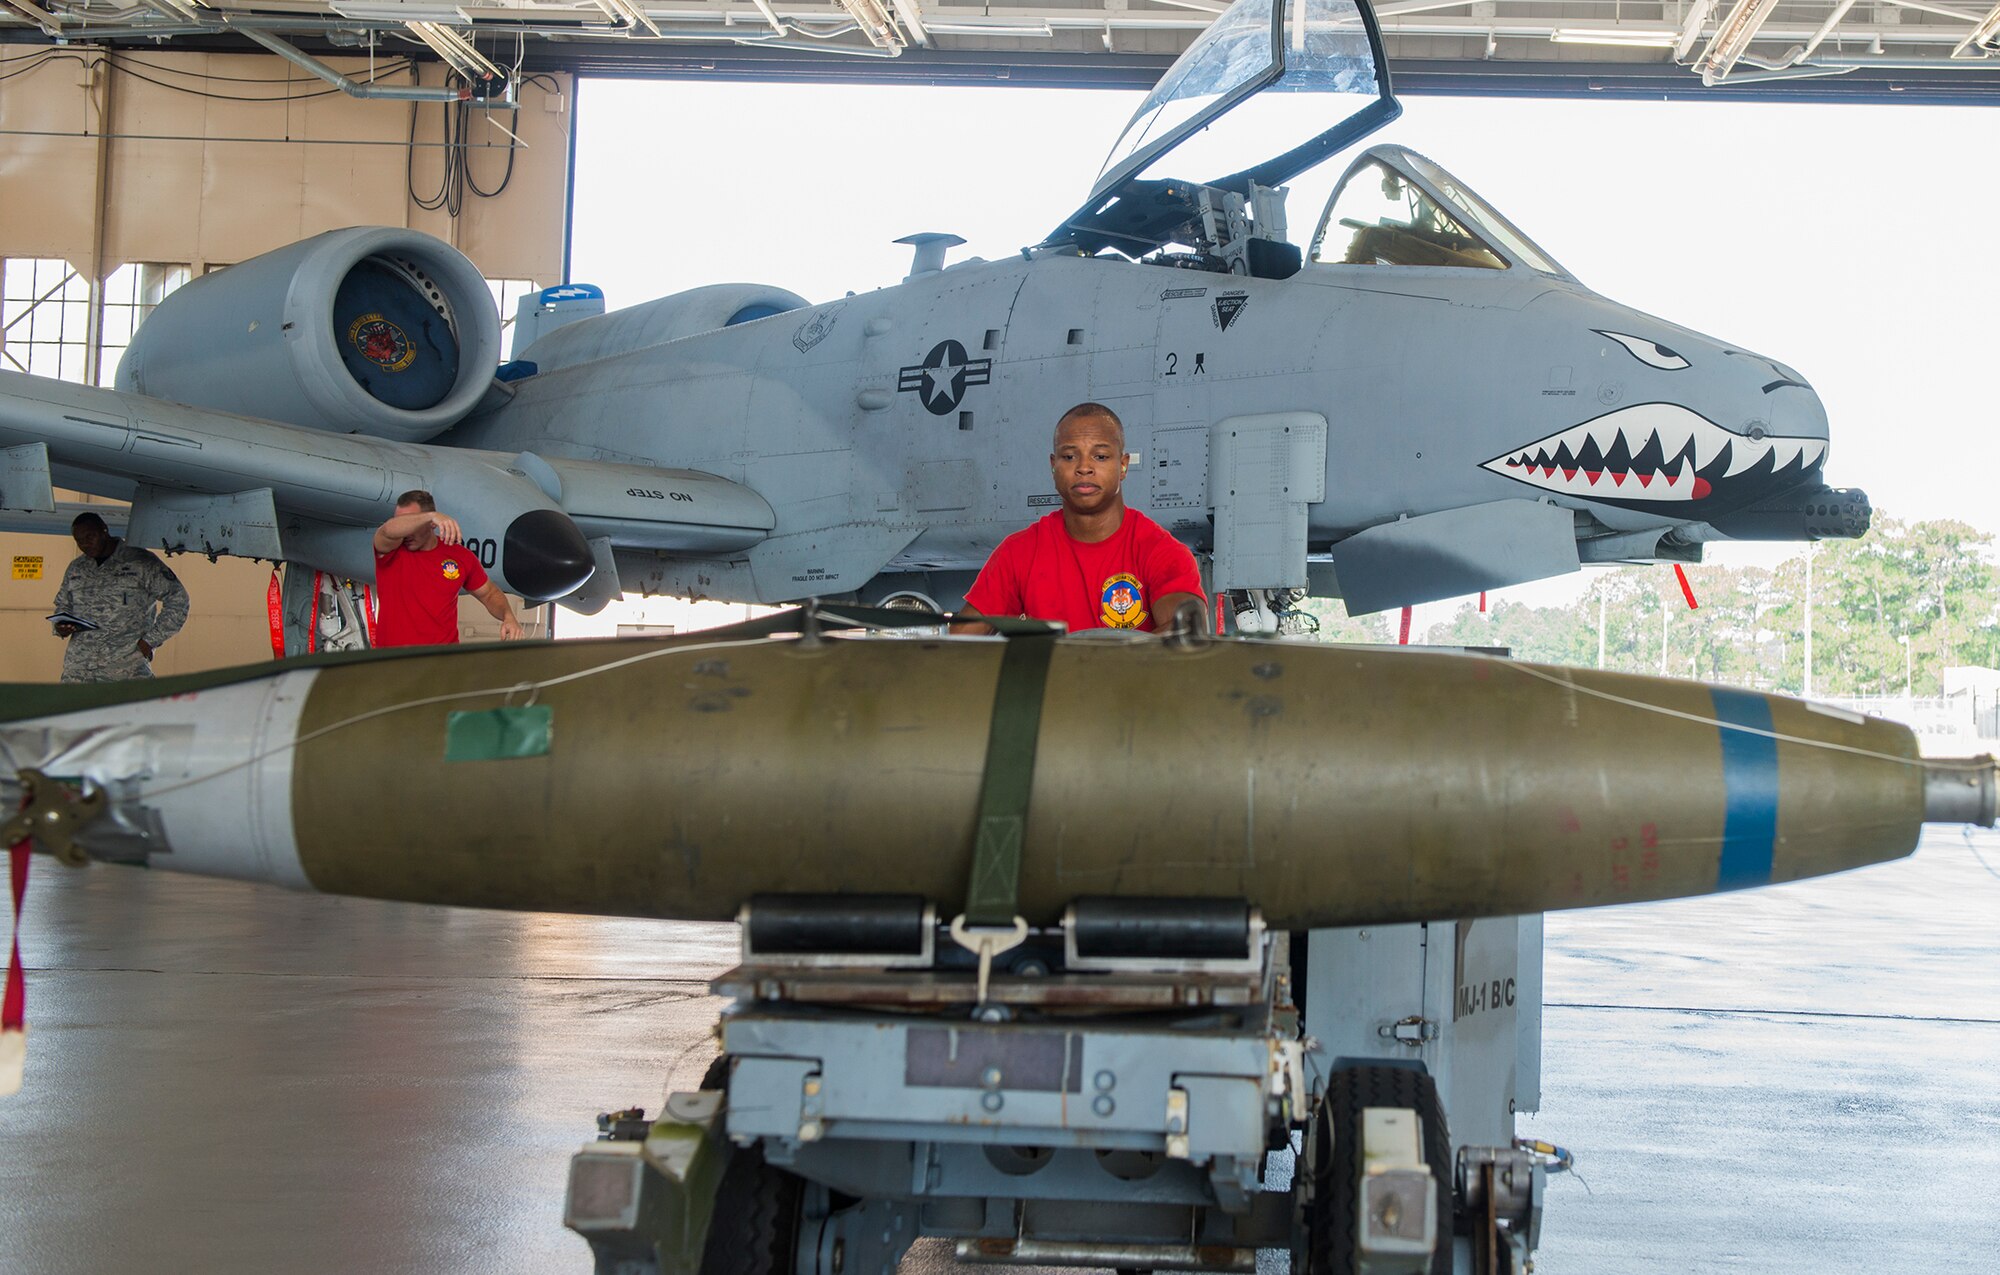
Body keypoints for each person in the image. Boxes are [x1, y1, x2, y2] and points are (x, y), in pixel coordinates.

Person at [953, 402, 1206, 635]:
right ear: (1053, 466)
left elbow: (1188, 635)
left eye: (1101, 456)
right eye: (1069, 456)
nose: (1084, 468)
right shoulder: (1018, 553)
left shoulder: (1162, 553)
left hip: (1129, 684)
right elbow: (959, 645)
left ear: (1123, 466)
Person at [49, 511, 190, 684]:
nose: (85, 544)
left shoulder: (139, 562)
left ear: (104, 530)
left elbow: (178, 600)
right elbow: (63, 604)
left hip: (125, 669)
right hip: (79, 671)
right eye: (79, 540)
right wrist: (61, 626)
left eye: (90, 536)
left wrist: (150, 641)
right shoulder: (77, 568)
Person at [371, 490, 524, 646]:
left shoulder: (460, 556)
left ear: (432, 525)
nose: (405, 531)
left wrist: (508, 616)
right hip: (395, 662)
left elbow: (489, 594)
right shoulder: (389, 551)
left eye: (412, 522)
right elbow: (388, 530)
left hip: (443, 662)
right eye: (403, 522)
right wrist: (429, 516)